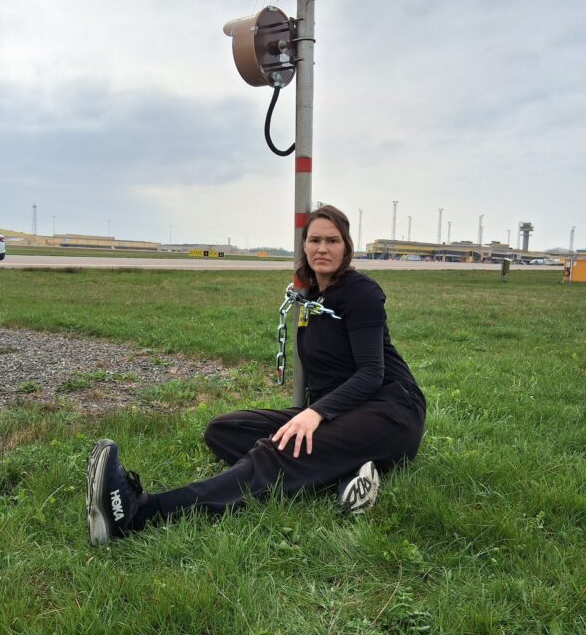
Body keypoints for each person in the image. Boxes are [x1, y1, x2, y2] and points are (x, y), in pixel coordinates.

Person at [86, 205, 427, 545]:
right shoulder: (311, 297)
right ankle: (345, 472)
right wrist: (313, 413)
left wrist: (315, 413)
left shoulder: (361, 292)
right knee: (224, 430)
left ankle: (139, 512)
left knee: (275, 453)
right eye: (315, 240)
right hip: (343, 411)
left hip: (390, 410)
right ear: (304, 246)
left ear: (347, 246)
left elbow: (371, 373)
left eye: (333, 240)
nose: (322, 248)